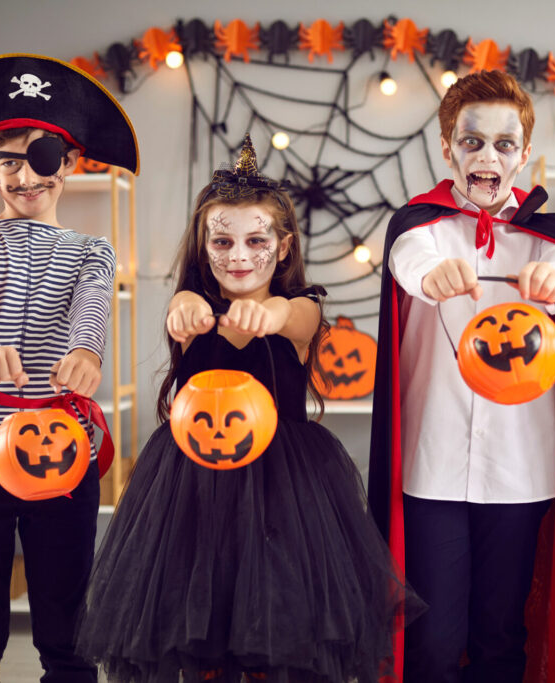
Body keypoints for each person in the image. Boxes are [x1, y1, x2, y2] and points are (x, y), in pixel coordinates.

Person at [75, 135, 418, 683]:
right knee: (197, 617)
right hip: (191, 483)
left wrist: (272, 314)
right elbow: (181, 308)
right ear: (204, 244)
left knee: (279, 620)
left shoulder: (300, 308)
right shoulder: (193, 308)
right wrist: (184, 305)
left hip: (285, 488)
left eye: (255, 240)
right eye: (222, 241)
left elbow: (296, 317)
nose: (237, 256)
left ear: (282, 247)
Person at [0, 54, 140, 682]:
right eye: (7, 158)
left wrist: (86, 353)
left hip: (59, 449)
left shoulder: (94, 251)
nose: (24, 174)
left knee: (68, 636)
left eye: (40, 157)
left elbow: (92, 309)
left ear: (67, 164)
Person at [368, 70, 555, 683]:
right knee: (433, 638)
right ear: (448, 147)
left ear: (524, 154)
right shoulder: (419, 228)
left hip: (522, 471)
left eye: (504, 143)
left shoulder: (548, 237)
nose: (488, 155)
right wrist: (430, 274)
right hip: (434, 466)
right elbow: (408, 258)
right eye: (472, 142)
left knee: (502, 635)